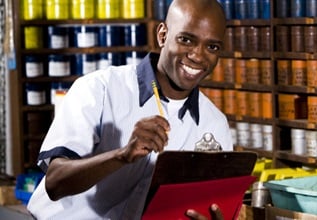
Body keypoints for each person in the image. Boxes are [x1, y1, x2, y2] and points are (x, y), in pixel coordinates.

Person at [27, 0, 233, 219]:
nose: (198, 56)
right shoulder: (100, 89)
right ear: (162, 35)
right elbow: (55, 182)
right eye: (186, 39)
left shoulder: (215, 124)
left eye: (212, 47)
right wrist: (121, 156)